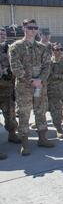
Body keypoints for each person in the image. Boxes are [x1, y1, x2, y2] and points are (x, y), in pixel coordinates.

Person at [9, 19, 55, 156]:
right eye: (30, 28)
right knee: (24, 114)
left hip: (40, 85)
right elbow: (15, 67)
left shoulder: (42, 48)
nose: (33, 30)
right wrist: (31, 81)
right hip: (24, 87)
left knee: (40, 111)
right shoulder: (16, 47)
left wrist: (40, 79)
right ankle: (24, 144)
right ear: (24, 28)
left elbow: (48, 65)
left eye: (35, 28)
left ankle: (42, 139)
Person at [0, 28, 21, 160]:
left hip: (7, 89)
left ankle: (12, 134)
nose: (1, 36)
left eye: (3, 34)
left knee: (11, 114)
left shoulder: (10, 49)